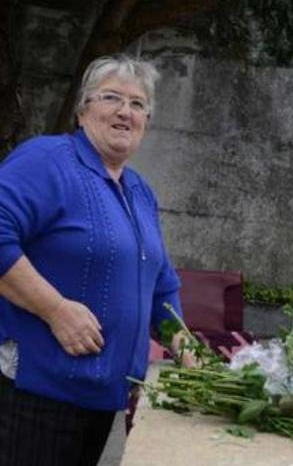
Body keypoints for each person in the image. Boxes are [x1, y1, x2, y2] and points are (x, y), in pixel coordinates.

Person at [0, 54, 189, 465]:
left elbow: (161, 287)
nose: (125, 111)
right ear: (83, 110)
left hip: (106, 402)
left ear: (147, 122)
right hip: (38, 394)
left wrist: (188, 348)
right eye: (111, 98)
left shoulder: (140, 192)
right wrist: (55, 309)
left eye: (138, 104)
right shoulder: (46, 161)